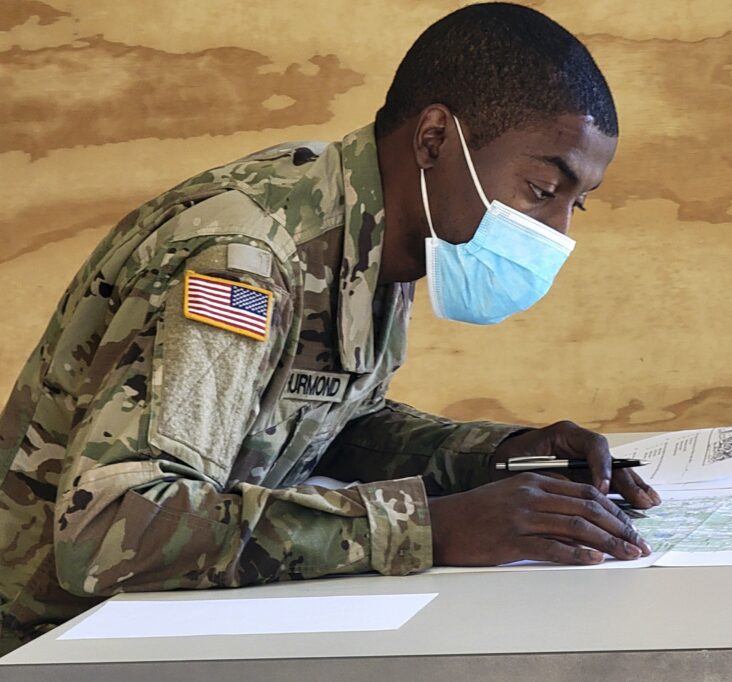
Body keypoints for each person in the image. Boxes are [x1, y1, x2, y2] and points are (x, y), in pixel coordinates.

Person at [0, 2, 661, 653]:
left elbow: (327, 430)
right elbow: (116, 529)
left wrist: (497, 458)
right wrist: (424, 525)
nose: (557, 234)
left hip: (165, 633)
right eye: (542, 191)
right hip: (51, 646)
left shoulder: (376, 232)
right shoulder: (243, 262)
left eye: (578, 204)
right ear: (434, 139)